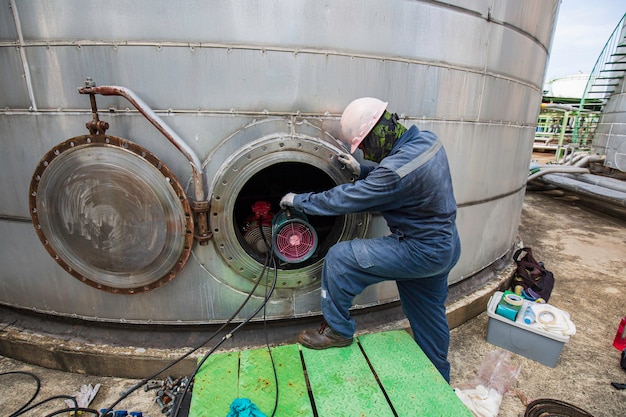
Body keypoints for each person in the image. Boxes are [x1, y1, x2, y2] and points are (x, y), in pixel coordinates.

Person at [279, 97, 461, 382]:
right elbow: (405, 176)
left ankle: (338, 330)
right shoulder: (427, 141)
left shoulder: (394, 173)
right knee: (429, 316)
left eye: (363, 143)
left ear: (378, 131)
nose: (363, 150)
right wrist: (363, 171)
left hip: (420, 250)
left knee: (340, 258)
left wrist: (299, 201)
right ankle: (440, 378)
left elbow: (347, 198)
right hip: (445, 246)